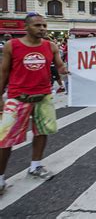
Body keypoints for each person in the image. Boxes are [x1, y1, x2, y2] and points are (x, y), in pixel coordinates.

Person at [0, 12, 68, 194]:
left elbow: (60, 66)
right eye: (38, 25)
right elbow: (4, 72)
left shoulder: (50, 46)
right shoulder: (12, 45)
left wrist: (68, 69)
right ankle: (0, 178)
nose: (43, 29)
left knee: (42, 133)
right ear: (26, 27)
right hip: (17, 98)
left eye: (44, 25)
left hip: (43, 97)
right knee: (6, 140)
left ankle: (35, 166)